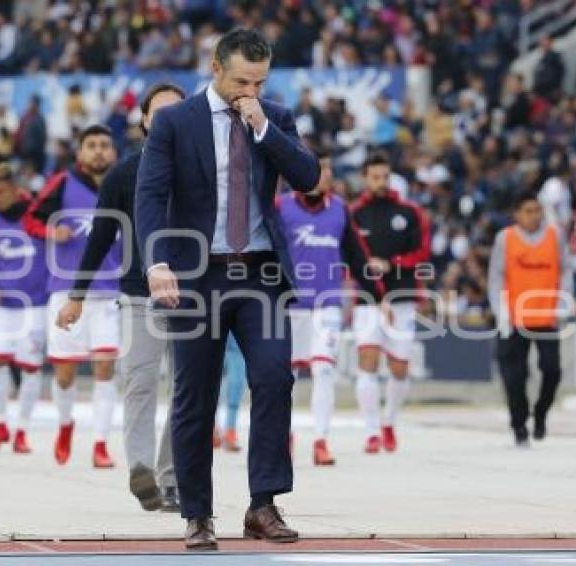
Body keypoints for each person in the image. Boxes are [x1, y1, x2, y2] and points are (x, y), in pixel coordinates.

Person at [135, 28, 320, 551]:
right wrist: (157, 262)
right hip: (197, 275)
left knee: (274, 378)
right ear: (216, 68)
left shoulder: (274, 117)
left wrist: (264, 129)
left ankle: (263, 503)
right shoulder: (174, 122)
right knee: (195, 396)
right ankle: (197, 513)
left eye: (259, 82)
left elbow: (308, 177)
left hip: (259, 272)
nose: (249, 91)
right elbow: (149, 199)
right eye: (242, 80)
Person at [55, 83, 185, 511]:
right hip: (137, 294)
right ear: (144, 121)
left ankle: (171, 478)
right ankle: (143, 470)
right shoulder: (122, 175)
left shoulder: (206, 171)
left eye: (177, 112)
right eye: (158, 112)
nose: (167, 119)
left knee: (189, 391)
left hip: (196, 297)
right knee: (140, 381)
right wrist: (76, 294)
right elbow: (99, 239)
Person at [276, 151, 383, 465]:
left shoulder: (339, 209)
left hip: (327, 305)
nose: (325, 176)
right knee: (286, 377)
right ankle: (285, 436)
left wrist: (378, 295)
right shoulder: (281, 207)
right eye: (319, 170)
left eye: (328, 171)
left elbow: (356, 254)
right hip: (290, 304)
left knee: (324, 370)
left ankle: (321, 440)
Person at [24, 125, 121, 468]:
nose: (98, 151)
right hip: (65, 291)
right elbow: (30, 219)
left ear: (114, 153)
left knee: (105, 366)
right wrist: (51, 230)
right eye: (91, 145)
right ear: (80, 153)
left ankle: (100, 443)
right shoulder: (63, 183)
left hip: (110, 291)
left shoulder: (124, 185)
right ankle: (65, 425)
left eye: (104, 146)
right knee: (64, 374)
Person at [349, 153, 430, 455]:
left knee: (399, 367)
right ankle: (371, 432)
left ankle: (389, 422)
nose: (380, 182)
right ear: (365, 178)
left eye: (385, 176)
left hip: (402, 297)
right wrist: (365, 266)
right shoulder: (354, 213)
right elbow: (348, 255)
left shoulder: (410, 212)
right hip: (367, 298)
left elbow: (422, 252)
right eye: (374, 177)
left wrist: (392, 264)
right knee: (367, 360)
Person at [488, 190, 573, 446]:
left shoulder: (554, 235)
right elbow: (495, 276)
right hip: (514, 319)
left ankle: (541, 413)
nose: (534, 216)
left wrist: (563, 303)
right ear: (517, 214)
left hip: (546, 317)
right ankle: (519, 424)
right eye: (528, 211)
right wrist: (500, 311)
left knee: (552, 371)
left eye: (537, 210)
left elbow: (567, 269)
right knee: (514, 377)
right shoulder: (506, 239)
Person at [0, 163, 48, 454]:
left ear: (16, 188)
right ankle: (0, 424)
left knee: (31, 368)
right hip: (4, 305)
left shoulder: (38, 212)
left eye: (1, 191)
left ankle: (22, 430)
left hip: (36, 304)